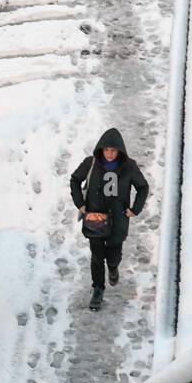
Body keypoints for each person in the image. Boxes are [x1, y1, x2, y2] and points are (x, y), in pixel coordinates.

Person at [69, 127, 149, 311]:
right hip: (95, 218)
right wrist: (80, 203)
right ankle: (98, 289)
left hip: (118, 221)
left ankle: (113, 267)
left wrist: (134, 209)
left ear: (120, 150)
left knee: (113, 254)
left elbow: (143, 187)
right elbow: (75, 180)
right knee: (97, 256)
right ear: (101, 150)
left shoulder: (129, 167)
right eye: (106, 150)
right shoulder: (91, 163)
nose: (109, 154)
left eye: (113, 150)